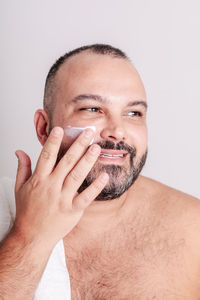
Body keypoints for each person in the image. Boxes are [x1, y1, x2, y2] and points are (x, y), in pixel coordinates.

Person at [0, 44, 200, 299]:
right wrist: (29, 238)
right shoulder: (4, 212)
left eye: (133, 113)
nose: (117, 130)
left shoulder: (194, 230)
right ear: (44, 128)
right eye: (92, 109)